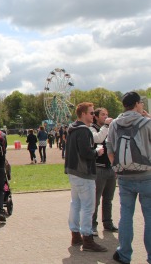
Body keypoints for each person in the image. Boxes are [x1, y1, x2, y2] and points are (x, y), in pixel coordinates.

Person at [106, 92, 151, 264]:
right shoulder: (147, 123)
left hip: (124, 176)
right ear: (137, 104)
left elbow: (110, 148)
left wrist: (117, 168)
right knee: (149, 217)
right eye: (141, 103)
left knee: (126, 215)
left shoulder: (115, 124)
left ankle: (124, 254)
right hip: (146, 175)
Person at [65, 102, 107, 252]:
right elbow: (86, 153)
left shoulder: (72, 129)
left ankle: (75, 234)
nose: (93, 116)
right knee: (88, 207)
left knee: (75, 204)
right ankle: (87, 238)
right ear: (83, 114)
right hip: (83, 172)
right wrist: (97, 152)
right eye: (90, 113)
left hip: (74, 171)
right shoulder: (84, 131)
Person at [89, 107, 117, 237]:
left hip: (110, 167)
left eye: (107, 114)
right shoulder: (92, 128)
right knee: (95, 199)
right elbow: (98, 139)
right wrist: (106, 126)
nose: (106, 116)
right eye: (103, 114)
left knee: (108, 198)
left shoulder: (110, 128)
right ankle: (92, 225)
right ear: (96, 116)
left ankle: (108, 222)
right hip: (98, 167)